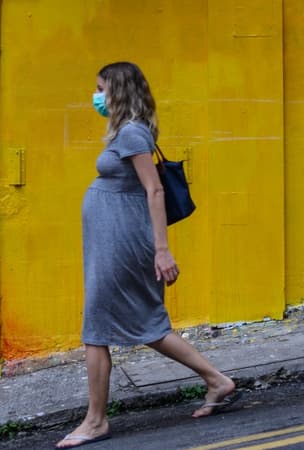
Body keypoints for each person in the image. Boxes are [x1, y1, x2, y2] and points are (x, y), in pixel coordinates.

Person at [55, 62, 238, 449]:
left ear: (118, 90)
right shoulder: (128, 131)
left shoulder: (133, 132)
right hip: (113, 240)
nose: (97, 96)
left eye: (101, 88)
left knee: (98, 327)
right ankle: (217, 381)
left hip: (124, 243)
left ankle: (96, 421)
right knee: (144, 323)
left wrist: (162, 250)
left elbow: (154, 191)